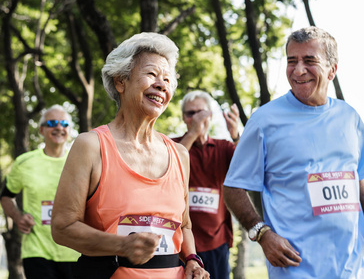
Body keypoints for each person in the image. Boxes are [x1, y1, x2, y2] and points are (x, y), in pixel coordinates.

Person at [223, 26, 364, 278]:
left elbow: (355, 176)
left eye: (309, 61)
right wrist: (262, 233)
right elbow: (233, 187)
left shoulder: (349, 117)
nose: (299, 69)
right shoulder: (264, 121)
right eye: (292, 61)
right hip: (297, 269)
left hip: (356, 269)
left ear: (332, 70)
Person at [51, 32, 209, 279]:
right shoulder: (90, 146)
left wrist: (192, 259)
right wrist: (121, 246)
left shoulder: (179, 154)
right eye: (151, 74)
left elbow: (185, 225)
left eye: (167, 79)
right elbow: (62, 228)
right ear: (120, 81)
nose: (161, 84)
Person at [0, 104, 80, 279]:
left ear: (70, 130)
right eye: (52, 123)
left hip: (75, 251)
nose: (59, 127)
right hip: (37, 251)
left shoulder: (80, 162)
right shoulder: (25, 162)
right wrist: (18, 217)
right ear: (42, 130)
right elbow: (6, 196)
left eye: (64, 124)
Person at [172, 90, 239, 279]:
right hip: (182, 244)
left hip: (216, 242)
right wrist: (192, 134)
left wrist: (235, 136)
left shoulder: (223, 147)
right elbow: (172, 166)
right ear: (184, 118)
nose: (196, 118)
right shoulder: (174, 145)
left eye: (201, 112)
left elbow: (247, 167)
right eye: (190, 113)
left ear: (210, 115)